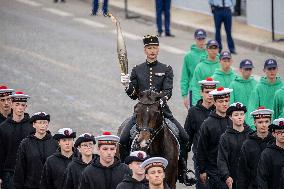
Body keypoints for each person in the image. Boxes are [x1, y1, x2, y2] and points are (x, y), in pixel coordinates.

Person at [120, 35, 189, 184]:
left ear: (158, 49)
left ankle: (182, 171)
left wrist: (161, 101)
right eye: (149, 48)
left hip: (161, 111)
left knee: (184, 137)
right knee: (123, 138)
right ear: (145, 50)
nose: (152, 51)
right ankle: (124, 171)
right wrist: (127, 86)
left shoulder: (166, 69)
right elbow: (133, 95)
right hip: (142, 113)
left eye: (154, 48)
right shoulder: (137, 70)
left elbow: (168, 91)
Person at [184, 77, 218, 189]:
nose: (210, 95)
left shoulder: (220, 112)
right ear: (201, 93)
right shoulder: (193, 112)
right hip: (200, 159)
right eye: (207, 92)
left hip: (218, 160)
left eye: (212, 92)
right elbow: (187, 137)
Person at [196, 86, 232, 189]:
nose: (224, 104)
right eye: (221, 101)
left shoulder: (232, 121)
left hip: (231, 170)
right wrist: (202, 170)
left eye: (226, 101)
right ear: (215, 103)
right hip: (213, 171)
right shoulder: (207, 124)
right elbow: (201, 149)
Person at [13, 112, 58, 189]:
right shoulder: (25, 143)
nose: (43, 126)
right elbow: (20, 168)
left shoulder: (55, 143)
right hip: (30, 186)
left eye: (45, 123)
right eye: (40, 123)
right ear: (34, 124)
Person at [0, 91, 34, 189]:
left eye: (22, 105)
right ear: (12, 105)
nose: (20, 107)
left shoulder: (32, 127)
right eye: (17, 104)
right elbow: (0, 154)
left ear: (26, 107)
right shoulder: (3, 128)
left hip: (29, 173)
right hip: (9, 173)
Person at [217, 102, 252, 189]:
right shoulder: (225, 137)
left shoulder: (251, 135)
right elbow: (222, 159)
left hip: (250, 180)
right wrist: (226, 176)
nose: (240, 117)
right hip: (233, 179)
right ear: (230, 117)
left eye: (242, 114)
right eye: (236, 115)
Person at [237, 107, 275, 189]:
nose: (264, 125)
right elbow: (242, 172)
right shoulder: (247, 144)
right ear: (255, 123)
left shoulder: (276, 142)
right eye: (260, 122)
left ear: (270, 122)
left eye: (266, 121)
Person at [248, 58, 283, 128]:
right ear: (264, 70)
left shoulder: (282, 87)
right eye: (269, 69)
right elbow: (252, 109)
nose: (272, 71)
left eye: (274, 68)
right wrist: (253, 127)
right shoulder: (258, 88)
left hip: (280, 127)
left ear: (277, 69)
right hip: (263, 126)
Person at [180, 29, 207, 109]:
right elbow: (185, 77)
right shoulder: (188, 56)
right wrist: (184, 96)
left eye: (202, 39)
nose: (201, 41)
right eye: (199, 39)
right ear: (195, 39)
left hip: (209, 90)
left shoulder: (210, 54)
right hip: (195, 91)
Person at [191, 39, 220, 105]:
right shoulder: (200, 66)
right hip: (205, 102)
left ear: (218, 49)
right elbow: (196, 86)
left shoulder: (221, 65)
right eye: (211, 48)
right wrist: (196, 104)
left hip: (219, 103)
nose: (213, 50)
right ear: (206, 50)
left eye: (215, 48)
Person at [257, 118, 284, 189]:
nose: (283, 135)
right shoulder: (267, 154)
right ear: (273, 134)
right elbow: (262, 179)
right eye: (279, 132)